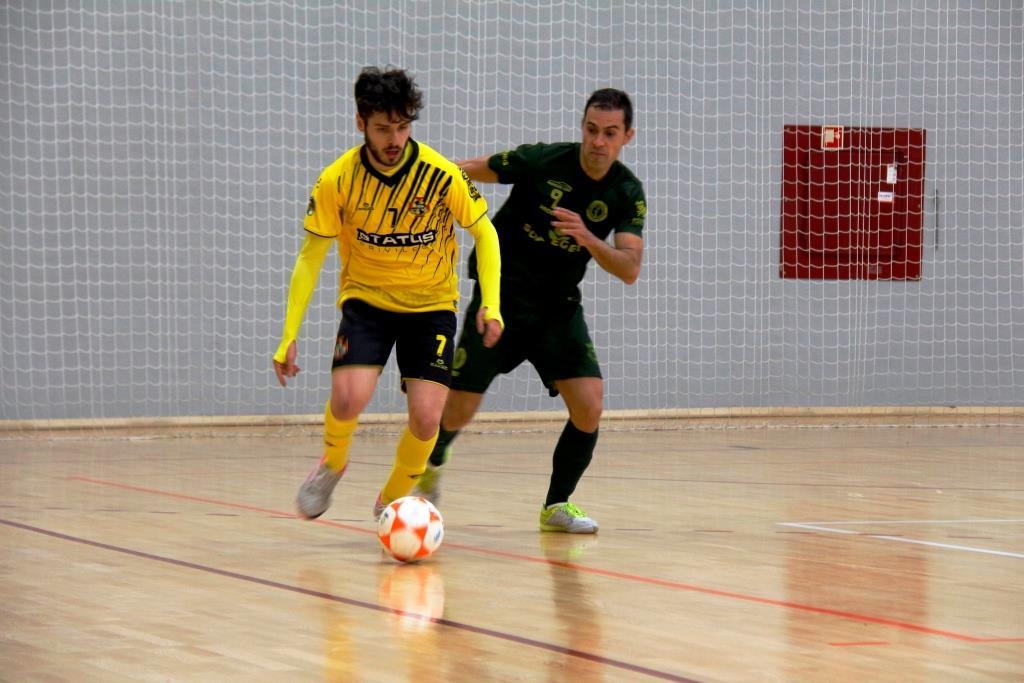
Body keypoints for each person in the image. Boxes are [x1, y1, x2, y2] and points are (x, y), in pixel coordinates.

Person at [273, 67, 503, 521]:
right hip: (367, 301)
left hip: (432, 306)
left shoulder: (442, 174)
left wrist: (491, 303)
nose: (394, 138)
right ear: (361, 124)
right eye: (383, 128)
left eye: (402, 126)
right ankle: (333, 463)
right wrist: (288, 334)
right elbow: (310, 257)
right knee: (347, 398)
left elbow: (486, 234)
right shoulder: (337, 180)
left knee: (426, 418)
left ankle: (393, 498)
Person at [412, 88, 646, 534]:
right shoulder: (543, 161)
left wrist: (588, 238)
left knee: (589, 406)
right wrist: (424, 180)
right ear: (582, 127)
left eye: (610, 134)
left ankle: (556, 506)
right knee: (459, 406)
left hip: (558, 308)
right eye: (591, 130)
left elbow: (630, 269)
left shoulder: (627, 191)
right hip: (500, 298)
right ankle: (431, 468)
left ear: (626, 136)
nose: (598, 142)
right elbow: (468, 170)